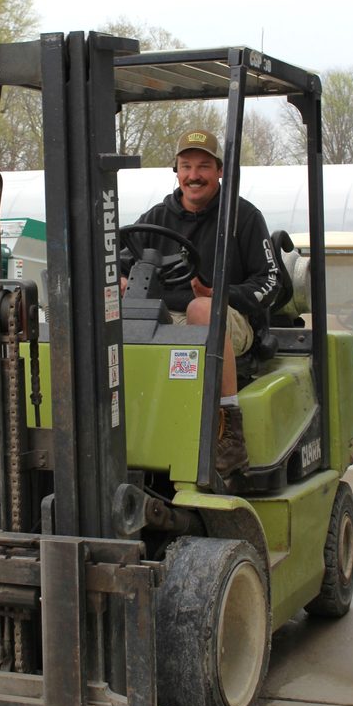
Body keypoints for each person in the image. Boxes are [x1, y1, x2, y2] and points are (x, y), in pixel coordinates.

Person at [122, 129, 279, 478]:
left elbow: (270, 283)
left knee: (200, 310)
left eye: (204, 166)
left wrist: (218, 294)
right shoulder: (155, 218)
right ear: (176, 172)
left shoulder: (243, 217)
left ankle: (228, 431)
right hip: (163, 319)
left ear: (219, 170)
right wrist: (116, 281)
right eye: (186, 166)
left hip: (231, 320)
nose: (194, 176)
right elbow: (119, 263)